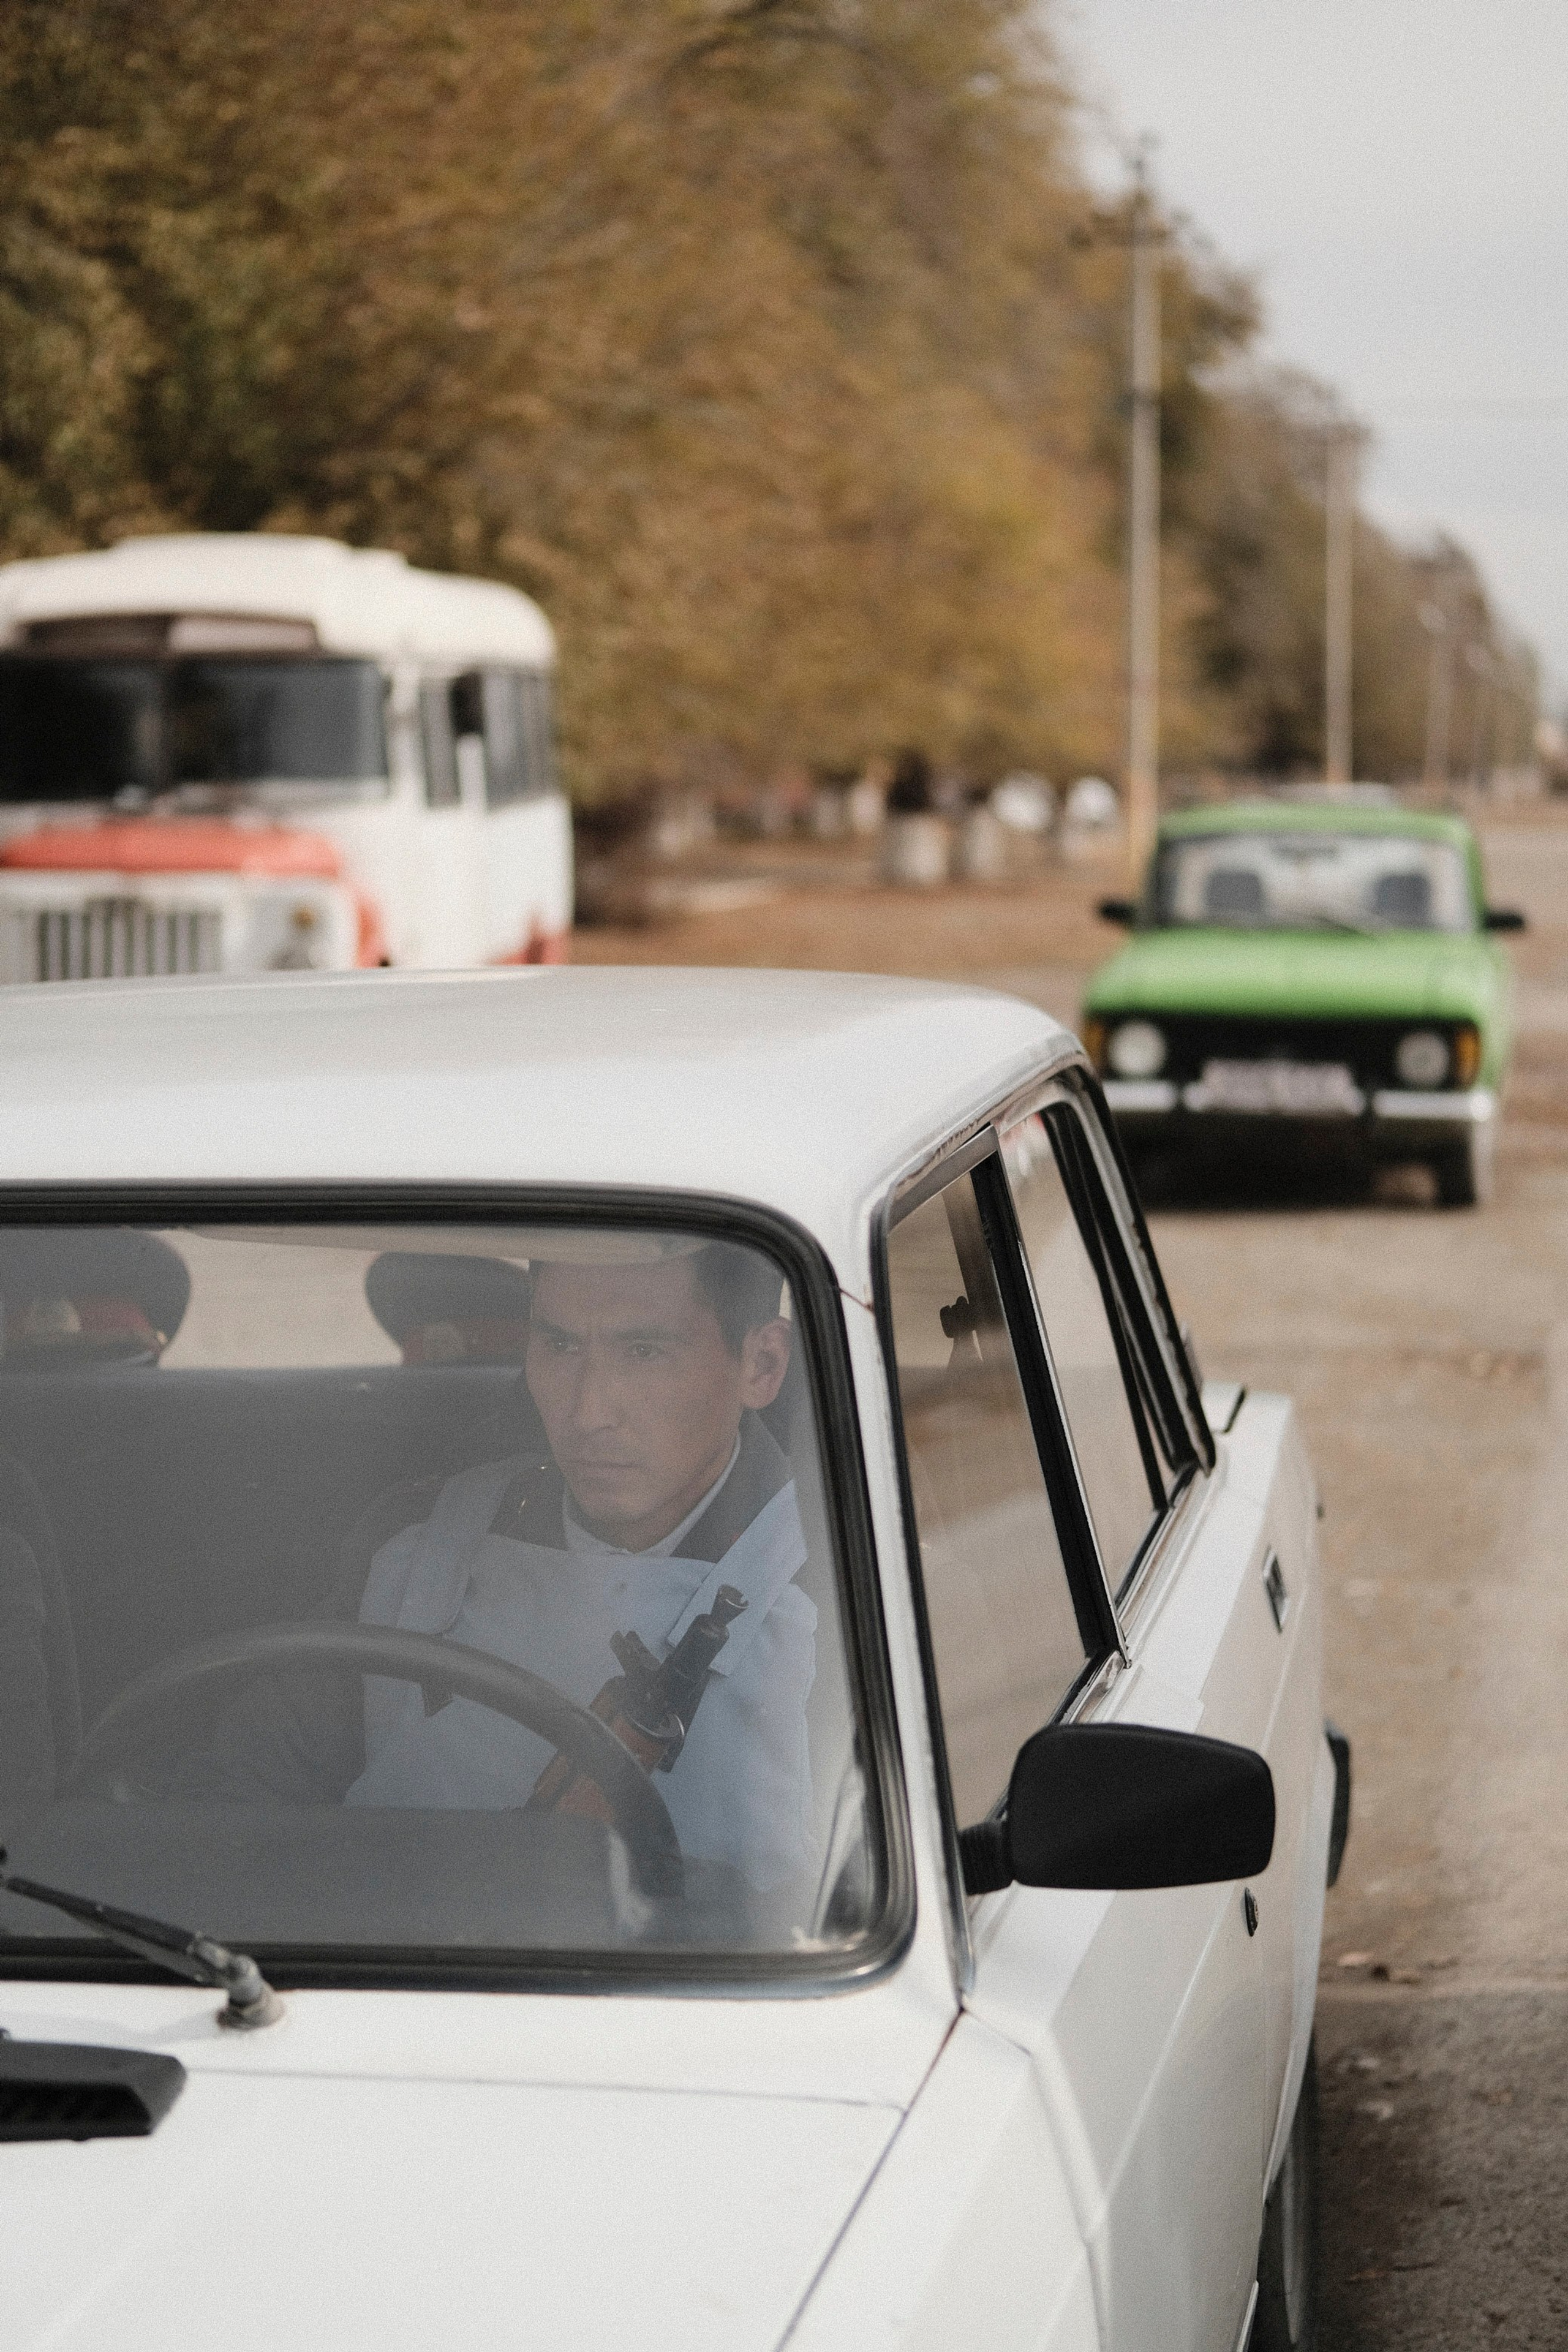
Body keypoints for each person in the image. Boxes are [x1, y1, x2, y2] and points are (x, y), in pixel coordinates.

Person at [194, 1240, 820, 1893]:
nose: (588, 1413)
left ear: (762, 1364)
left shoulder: (855, 1587)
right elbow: (241, 1806)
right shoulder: (417, 1545)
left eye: (644, 1351)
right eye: (559, 1346)